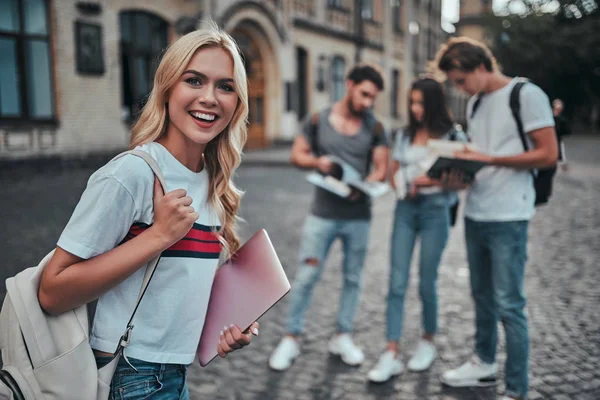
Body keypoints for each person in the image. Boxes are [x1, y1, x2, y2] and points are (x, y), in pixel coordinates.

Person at [37, 25, 259, 399]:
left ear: (237, 102)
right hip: (129, 375)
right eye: (194, 80)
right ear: (167, 87)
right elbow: (52, 291)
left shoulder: (214, 181)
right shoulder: (133, 173)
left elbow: (174, 295)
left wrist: (227, 328)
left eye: (225, 86)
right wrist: (158, 236)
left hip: (175, 375)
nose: (210, 98)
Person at [434, 37, 558, 400]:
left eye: (460, 80)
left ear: (481, 67)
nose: (459, 88)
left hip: (510, 215)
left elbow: (548, 154)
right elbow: (481, 155)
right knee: (482, 297)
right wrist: (458, 171)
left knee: (509, 303)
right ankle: (484, 363)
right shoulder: (474, 104)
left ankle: (517, 389)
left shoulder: (526, 94)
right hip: (477, 210)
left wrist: (490, 159)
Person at [268, 64, 390, 371]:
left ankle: (342, 336)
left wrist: (369, 182)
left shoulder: (375, 127)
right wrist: (318, 162)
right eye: (364, 94)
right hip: (322, 215)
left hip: (359, 217)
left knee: (353, 279)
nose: (367, 103)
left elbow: (380, 168)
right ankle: (291, 338)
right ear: (349, 84)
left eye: (372, 98)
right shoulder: (318, 119)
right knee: (307, 276)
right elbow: (297, 155)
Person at [367, 77, 469, 383]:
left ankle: (427, 342)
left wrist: (435, 182)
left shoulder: (452, 134)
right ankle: (391, 352)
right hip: (406, 209)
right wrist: (402, 184)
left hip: (436, 210)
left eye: (421, 103)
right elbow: (394, 173)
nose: (415, 108)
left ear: (435, 104)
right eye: (412, 102)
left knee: (427, 280)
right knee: (397, 281)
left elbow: (463, 180)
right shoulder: (405, 134)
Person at [552, 98, 572, 171]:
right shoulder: (550, 118)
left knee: (560, 149)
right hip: (552, 138)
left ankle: (563, 163)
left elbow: (567, 131)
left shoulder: (561, 120)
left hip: (557, 138)